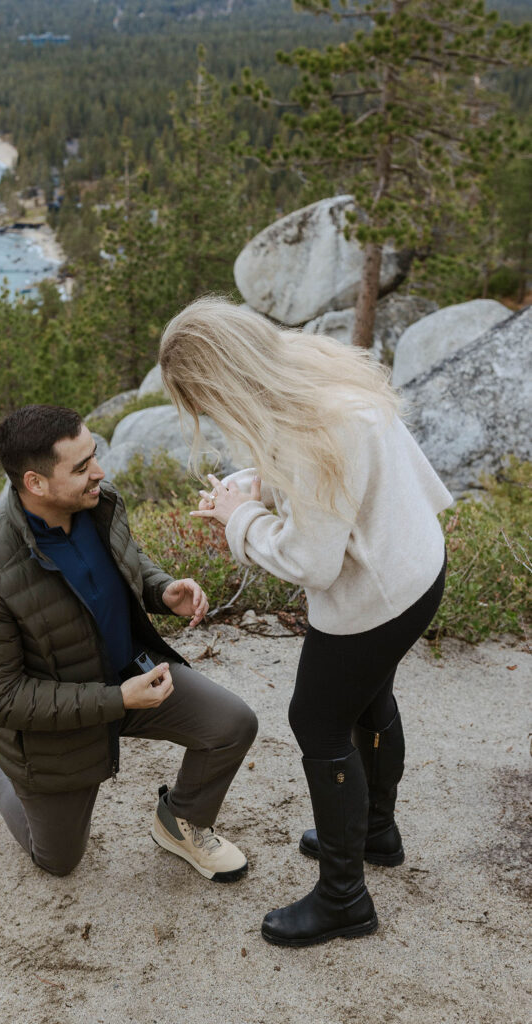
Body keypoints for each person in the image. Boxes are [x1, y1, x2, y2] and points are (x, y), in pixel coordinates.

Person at [159, 296, 452, 947]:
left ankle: (344, 898)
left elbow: (309, 561)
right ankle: (374, 832)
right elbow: (322, 478)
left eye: (202, 401)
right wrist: (248, 491)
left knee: (317, 720)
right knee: (366, 697)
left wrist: (238, 520)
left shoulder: (309, 432)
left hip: (373, 596)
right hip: (414, 564)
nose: (207, 414)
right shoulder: (309, 365)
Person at [0, 404, 257, 881]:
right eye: (82, 466)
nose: (100, 472)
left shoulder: (97, 501)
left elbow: (126, 558)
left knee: (232, 724)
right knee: (58, 860)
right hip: (60, 724)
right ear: (36, 483)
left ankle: (182, 820)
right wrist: (116, 699)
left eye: (94, 455)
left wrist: (161, 589)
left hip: (130, 678)